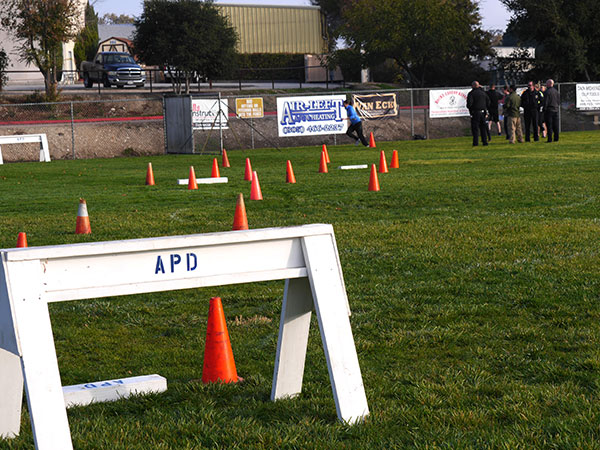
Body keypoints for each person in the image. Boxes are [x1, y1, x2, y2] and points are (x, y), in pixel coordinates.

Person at [466, 81, 490, 146]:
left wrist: (471, 109)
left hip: (475, 113)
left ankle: (475, 142)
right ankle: (485, 141)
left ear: (473, 86)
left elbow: (469, 104)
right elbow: (488, 102)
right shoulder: (483, 93)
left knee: (475, 128)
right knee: (483, 128)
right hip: (483, 112)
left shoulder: (471, 93)